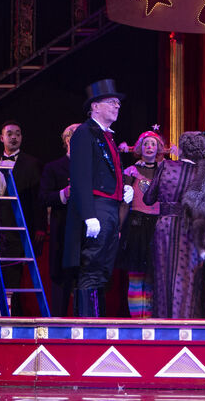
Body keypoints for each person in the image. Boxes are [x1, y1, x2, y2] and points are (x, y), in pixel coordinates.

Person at [65, 79, 129, 317]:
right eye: (111, 102)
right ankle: (87, 325)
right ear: (95, 106)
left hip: (110, 208)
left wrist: (122, 189)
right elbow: (81, 176)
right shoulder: (84, 133)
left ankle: (97, 323)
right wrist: (89, 215)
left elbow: (106, 169)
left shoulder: (106, 135)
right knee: (92, 265)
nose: (117, 106)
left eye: (118, 103)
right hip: (97, 208)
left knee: (103, 267)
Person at [146, 130, 205, 319]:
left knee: (163, 278)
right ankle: (187, 326)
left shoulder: (165, 166)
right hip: (191, 230)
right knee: (188, 280)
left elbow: (148, 198)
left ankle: (163, 324)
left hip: (165, 227)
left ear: (182, 149)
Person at [121, 127, 166, 319]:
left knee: (152, 274)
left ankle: (149, 319)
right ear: (140, 147)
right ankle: (136, 320)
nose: (149, 147)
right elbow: (123, 202)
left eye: (153, 144)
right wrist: (119, 227)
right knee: (136, 274)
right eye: (146, 144)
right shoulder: (131, 171)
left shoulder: (165, 170)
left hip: (157, 226)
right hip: (137, 226)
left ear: (158, 149)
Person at [38, 122, 79, 315]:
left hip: (86, 235)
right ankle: (57, 330)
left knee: (84, 283)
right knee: (60, 284)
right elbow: (43, 197)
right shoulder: (53, 167)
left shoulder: (93, 167)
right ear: (68, 140)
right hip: (62, 232)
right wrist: (63, 194)